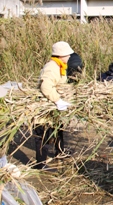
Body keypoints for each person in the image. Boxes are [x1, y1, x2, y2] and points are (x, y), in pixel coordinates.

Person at [36, 41, 74, 170]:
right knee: (43, 136)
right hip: (45, 109)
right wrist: (58, 100)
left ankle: (60, 153)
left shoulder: (60, 66)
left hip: (54, 110)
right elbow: (45, 86)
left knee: (58, 131)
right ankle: (40, 164)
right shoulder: (52, 67)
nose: (69, 57)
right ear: (61, 55)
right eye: (67, 54)